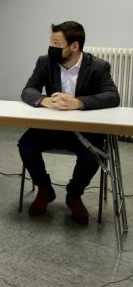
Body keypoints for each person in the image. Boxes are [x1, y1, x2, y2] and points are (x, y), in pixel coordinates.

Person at [19, 21, 120, 224]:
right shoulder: (45, 62)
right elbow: (28, 91)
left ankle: (74, 194)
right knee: (26, 145)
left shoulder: (98, 66)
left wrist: (79, 103)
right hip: (52, 127)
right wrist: (44, 100)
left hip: (84, 131)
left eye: (57, 43)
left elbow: (112, 96)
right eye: (51, 42)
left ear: (74, 46)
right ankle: (45, 189)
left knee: (92, 156)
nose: (51, 48)